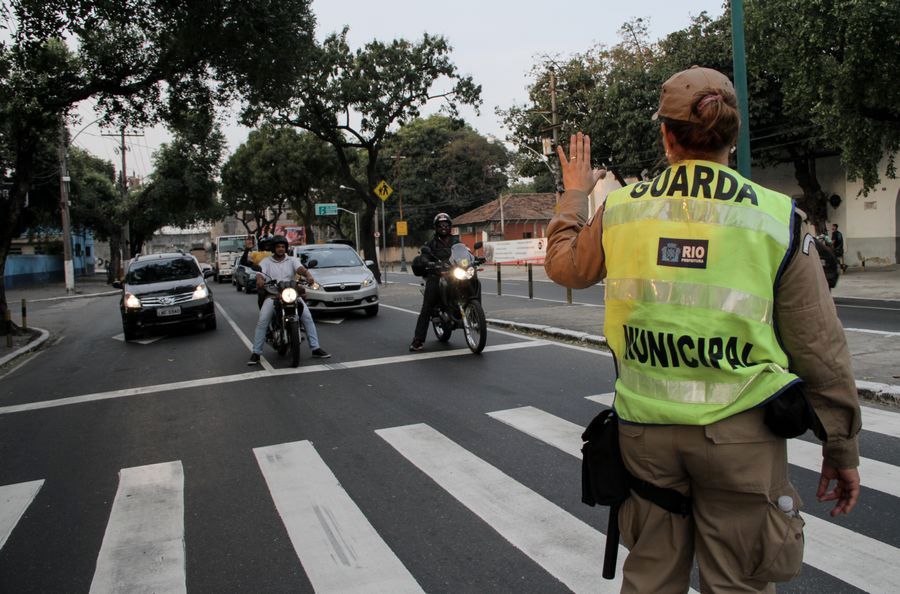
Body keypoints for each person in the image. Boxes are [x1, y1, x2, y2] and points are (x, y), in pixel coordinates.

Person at [544, 66, 861, 593]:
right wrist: (841, 449)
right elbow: (820, 347)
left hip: (646, 436)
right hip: (744, 437)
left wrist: (576, 194)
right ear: (731, 137)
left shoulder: (623, 210)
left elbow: (566, 268)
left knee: (649, 581)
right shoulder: (776, 217)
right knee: (739, 583)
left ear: (666, 136)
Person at [248, 235, 330, 364]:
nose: (280, 249)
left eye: (282, 246)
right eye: (278, 247)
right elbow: (260, 273)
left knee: (307, 317)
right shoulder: (266, 262)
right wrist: (259, 280)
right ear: (273, 249)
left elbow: (300, 269)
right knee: (263, 320)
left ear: (286, 248)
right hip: (273, 294)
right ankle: (256, 353)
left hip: (291, 293)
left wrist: (308, 275)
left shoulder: (292, 260)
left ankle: (315, 348)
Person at [409, 212, 460, 351]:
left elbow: (465, 252)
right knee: (427, 307)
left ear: (450, 226)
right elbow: (424, 254)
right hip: (437, 275)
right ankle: (418, 340)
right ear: (436, 227)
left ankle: (476, 313)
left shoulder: (457, 241)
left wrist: (475, 258)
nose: (443, 227)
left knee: (474, 281)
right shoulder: (430, 243)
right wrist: (427, 261)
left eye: (446, 224)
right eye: (440, 225)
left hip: (455, 274)